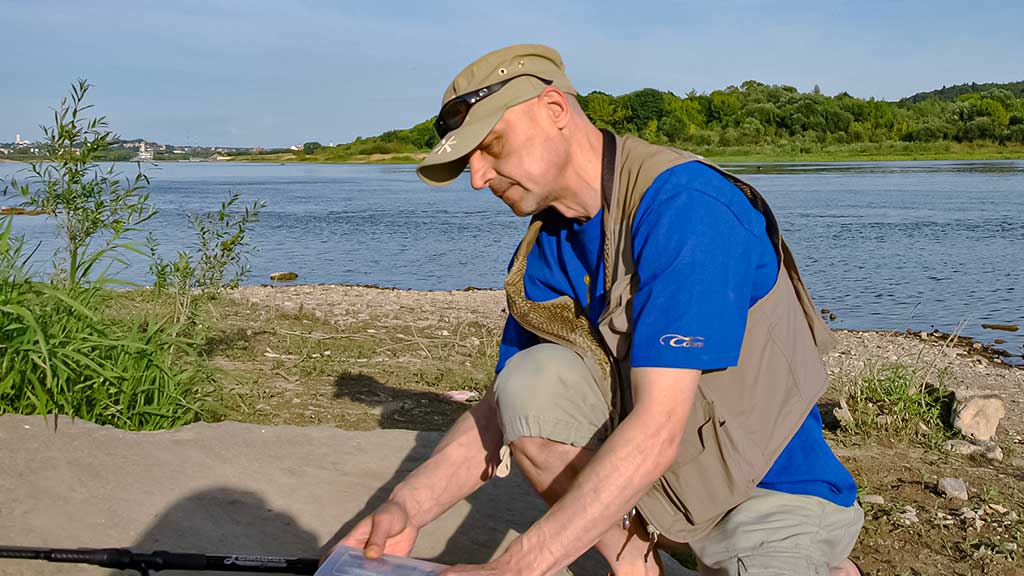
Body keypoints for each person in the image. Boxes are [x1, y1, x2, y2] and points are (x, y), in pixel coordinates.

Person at [338, 44, 864, 576]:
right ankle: (638, 567)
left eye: (491, 145)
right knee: (526, 382)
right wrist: (409, 504)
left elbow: (658, 427)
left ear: (554, 110)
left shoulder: (688, 207)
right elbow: (501, 412)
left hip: (770, 497)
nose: (478, 177)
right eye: (467, 160)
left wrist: (517, 566)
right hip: (664, 497)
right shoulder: (552, 240)